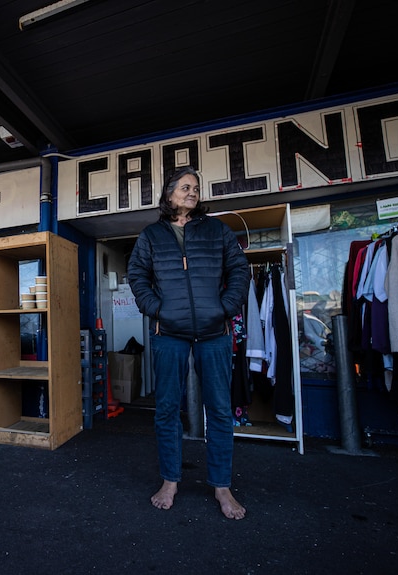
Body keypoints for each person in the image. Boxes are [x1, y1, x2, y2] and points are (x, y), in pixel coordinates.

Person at [127, 166, 250, 519]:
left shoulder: (217, 230)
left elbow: (239, 270)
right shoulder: (151, 235)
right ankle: (170, 481)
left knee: (220, 410)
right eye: (185, 187)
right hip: (170, 334)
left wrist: (225, 308)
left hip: (215, 333)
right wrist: (157, 310)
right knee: (166, 409)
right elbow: (137, 275)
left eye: (196, 187)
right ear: (169, 195)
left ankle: (222, 487)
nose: (192, 192)